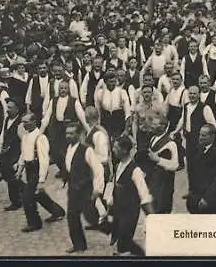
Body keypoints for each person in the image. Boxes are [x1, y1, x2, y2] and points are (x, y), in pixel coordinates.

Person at [14, 113, 66, 232]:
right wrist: (19, 170)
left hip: (37, 169)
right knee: (38, 194)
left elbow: (44, 161)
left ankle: (34, 223)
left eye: (26, 122)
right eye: (23, 122)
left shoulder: (40, 138)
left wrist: (41, 180)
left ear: (34, 122)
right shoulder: (26, 136)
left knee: (27, 197)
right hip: (28, 168)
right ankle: (58, 212)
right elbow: (23, 154)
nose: (24, 125)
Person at [108, 135, 154, 256]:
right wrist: (112, 200)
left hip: (129, 212)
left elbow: (144, 194)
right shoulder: (118, 165)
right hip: (119, 210)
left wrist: (151, 216)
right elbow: (116, 185)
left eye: (115, 147)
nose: (113, 150)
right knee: (120, 239)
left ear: (124, 150)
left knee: (124, 242)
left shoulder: (136, 171)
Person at [63, 122, 105, 253]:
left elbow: (98, 169)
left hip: (85, 189)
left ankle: (114, 230)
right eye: (67, 133)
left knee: (92, 215)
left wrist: (98, 189)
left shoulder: (87, 150)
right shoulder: (68, 148)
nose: (68, 136)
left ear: (79, 134)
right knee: (72, 215)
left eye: (71, 133)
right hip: (73, 189)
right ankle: (79, 244)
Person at [170, 86, 216, 198]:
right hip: (190, 140)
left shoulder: (205, 108)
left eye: (194, 94)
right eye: (190, 94)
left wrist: (208, 141)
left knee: (202, 167)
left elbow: (213, 126)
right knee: (190, 166)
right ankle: (192, 191)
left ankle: (204, 193)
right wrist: (176, 130)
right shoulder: (186, 106)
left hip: (201, 141)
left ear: (199, 94)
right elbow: (183, 120)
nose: (192, 96)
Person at [40, 81, 89, 178]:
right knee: (54, 152)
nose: (63, 90)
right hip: (56, 129)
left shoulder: (74, 101)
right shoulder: (53, 100)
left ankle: (69, 171)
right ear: (58, 90)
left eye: (65, 88)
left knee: (69, 151)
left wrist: (88, 130)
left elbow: (82, 116)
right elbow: (47, 117)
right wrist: (40, 132)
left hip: (69, 129)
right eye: (61, 88)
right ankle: (63, 169)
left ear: (68, 90)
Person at [82, 106, 113, 234]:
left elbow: (104, 156)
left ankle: (103, 218)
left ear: (87, 117)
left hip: (99, 169)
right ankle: (99, 220)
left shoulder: (98, 133)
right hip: (95, 168)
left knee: (94, 193)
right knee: (94, 194)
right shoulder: (93, 131)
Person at [187, 123, 216, 214]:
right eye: (200, 134)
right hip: (196, 199)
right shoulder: (197, 150)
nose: (200, 137)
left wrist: (206, 199)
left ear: (212, 137)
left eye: (203, 135)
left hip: (211, 202)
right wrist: (191, 192)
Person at [0, 97, 25, 211]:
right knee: (7, 175)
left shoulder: (21, 123)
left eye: (10, 108)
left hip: (16, 153)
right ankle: (23, 192)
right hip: (6, 152)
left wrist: (20, 159)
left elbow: (24, 141)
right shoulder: (7, 119)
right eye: (7, 107)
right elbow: (3, 134)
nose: (7, 110)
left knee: (12, 177)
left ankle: (16, 202)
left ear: (17, 109)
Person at [147, 115, 178, 213]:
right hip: (154, 180)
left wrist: (158, 160)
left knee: (162, 208)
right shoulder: (153, 138)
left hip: (164, 183)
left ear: (163, 126)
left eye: (155, 124)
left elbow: (175, 165)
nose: (152, 126)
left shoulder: (171, 144)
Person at [94, 72, 132, 142]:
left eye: (114, 81)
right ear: (105, 82)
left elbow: (127, 112)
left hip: (118, 122)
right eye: (110, 82)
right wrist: (98, 126)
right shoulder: (100, 93)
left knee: (117, 145)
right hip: (105, 122)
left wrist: (126, 130)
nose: (113, 84)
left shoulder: (122, 92)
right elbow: (98, 112)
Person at [25, 60, 50, 125]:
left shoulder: (51, 79)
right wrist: (28, 109)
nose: (42, 70)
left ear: (47, 68)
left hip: (49, 107)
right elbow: (29, 94)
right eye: (40, 68)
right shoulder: (34, 80)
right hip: (37, 107)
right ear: (37, 70)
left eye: (44, 68)